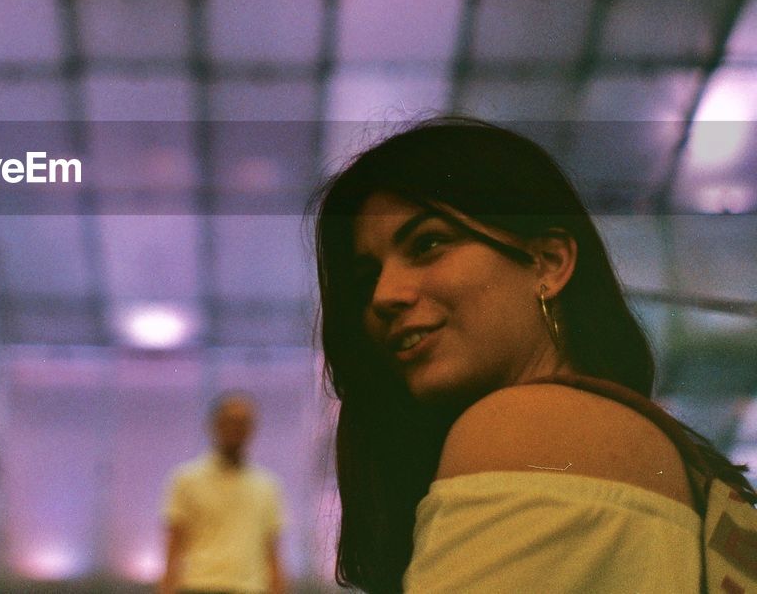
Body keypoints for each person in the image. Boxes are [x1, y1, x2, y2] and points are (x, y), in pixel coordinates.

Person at [309, 117, 756, 592]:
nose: (383, 296)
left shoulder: (524, 425)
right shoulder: (670, 458)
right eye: (366, 278)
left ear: (548, 263)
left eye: (428, 243)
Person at [159, 392, 286, 594]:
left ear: (251, 429)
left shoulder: (267, 485)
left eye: (243, 422)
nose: (236, 429)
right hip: (198, 586)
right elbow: (173, 547)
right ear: (214, 425)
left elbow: (272, 552)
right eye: (230, 421)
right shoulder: (186, 480)